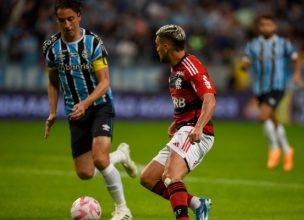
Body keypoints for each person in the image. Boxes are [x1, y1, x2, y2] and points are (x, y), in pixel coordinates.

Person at [42, 1, 137, 219]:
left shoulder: (93, 43)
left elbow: (104, 83)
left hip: (99, 105)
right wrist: (53, 111)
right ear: (57, 21)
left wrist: (85, 103)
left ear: (79, 17)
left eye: (70, 19)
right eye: (61, 20)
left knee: (100, 158)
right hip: (74, 112)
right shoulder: (51, 47)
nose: (66, 25)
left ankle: (123, 210)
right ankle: (121, 155)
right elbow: (53, 82)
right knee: (85, 173)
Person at [140, 24, 216, 220]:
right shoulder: (175, 69)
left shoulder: (191, 66)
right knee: (148, 178)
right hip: (185, 128)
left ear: (166, 46)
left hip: (196, 132)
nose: (156, 49)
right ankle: (198, 204)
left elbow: (210, 99)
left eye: (157, 45)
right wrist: (177, 122)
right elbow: (188, 100)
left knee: (171, 176)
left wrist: (198, 127)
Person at [241, 15, 301, 171]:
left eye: (269, 25)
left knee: (263, 116)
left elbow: (295, 59)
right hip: (260, 88)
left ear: (274, 26)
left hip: (277, 85)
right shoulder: (253, 45)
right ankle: (287, 150)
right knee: (271, 118)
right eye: (263, 25)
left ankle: (274, 149)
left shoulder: (283, 43)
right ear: (259, 27)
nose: (266, 28)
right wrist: (244, 65)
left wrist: (297, 74)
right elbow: (245, 61)